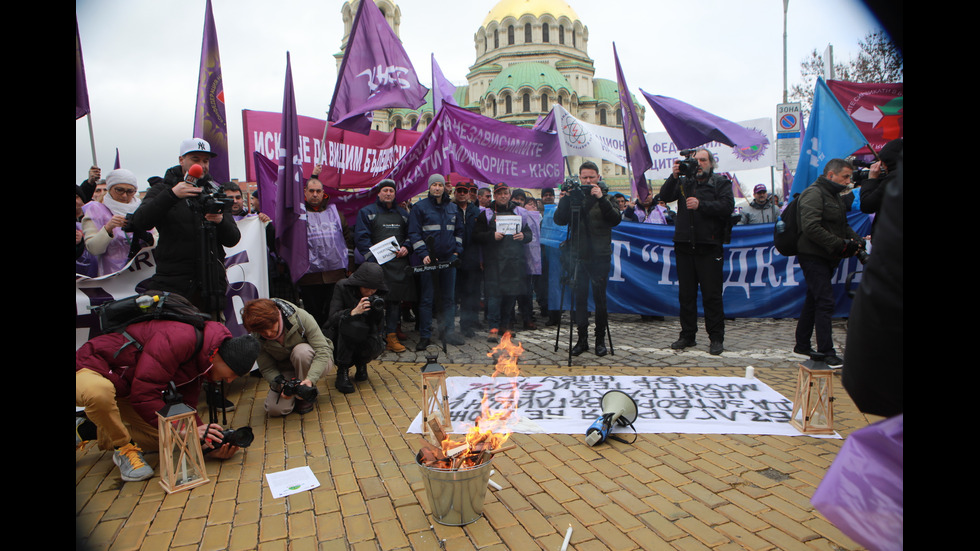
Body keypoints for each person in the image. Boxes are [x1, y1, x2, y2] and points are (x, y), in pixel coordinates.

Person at [75, 321, 259, 481]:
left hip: (125, 386)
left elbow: (186, 405)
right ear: (220, 357)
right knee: (100, 393)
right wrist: (185, 428)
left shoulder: (203, 357)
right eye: (233, 374)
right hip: (90, 367)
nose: (229, 381)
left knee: (171, 439)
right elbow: (144, 395)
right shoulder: (180, 339)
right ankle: (123, 448)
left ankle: (84, 430)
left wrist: (205, 444)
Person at [128, 138, 241, 318]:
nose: (202, 165)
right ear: (181, 160)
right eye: (195, 159)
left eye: (205, 161)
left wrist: (220, 220)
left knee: (214, 340)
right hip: (174, 288)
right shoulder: (162, 189)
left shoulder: (215, 192)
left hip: (211, 287)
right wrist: (172, 195)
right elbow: (140, 221)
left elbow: (233, 238)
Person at [659, 148, 735, 355]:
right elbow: (664, 196)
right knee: (686, 295)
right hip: (685, 245)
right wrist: (673, 176)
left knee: (712, 295)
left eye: (703, 160)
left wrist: (702, 205)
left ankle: (716, 337)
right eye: (696, 160)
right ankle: (687, 335)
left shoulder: (720, 183)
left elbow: (727, 206)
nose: (699, 163)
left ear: (711, 163)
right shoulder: (685, 182)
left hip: (709, 246)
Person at [794, 158, 866, 367]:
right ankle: (827, 351)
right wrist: (840, 244)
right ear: (831, 175)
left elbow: (841, 225)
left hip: (827, 256)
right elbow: (811, 228)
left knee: (814, 299)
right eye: (845, 176)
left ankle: (802, 344)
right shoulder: (814, 193)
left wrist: (855, 240)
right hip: (813, 255)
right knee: (825, 301)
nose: (848, 181)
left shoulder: (833, 195)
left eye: (850, 177)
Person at [553, 162, 621, 356]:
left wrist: (601, 199)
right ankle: (582, 340)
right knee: (579, 299)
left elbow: (615, 219)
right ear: (580, 178)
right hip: (578, 255)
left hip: (600, 256)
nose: (588, 181)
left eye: (592, 177)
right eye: (585, 177)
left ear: (598, 177)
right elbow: (559, 220)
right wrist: (565, 200)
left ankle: (600, 340)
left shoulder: (607, 197)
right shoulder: (575, 198)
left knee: (600, 300)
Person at [241, 298, 335, 414]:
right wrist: (282, 385)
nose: (269, 334)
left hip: (314, 361)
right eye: (263, 332)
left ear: (277, 316)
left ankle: (305, 393)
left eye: (271, 328)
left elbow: (322, 350)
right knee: (275, 410)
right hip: (286, 369)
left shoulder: (301, 317)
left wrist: (311, 378)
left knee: (301, 352)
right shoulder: (256, 336)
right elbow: (267, 368)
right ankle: (296, 393)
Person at [354, 179, 415, 352]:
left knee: (395, 302)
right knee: (375, 303)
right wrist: (373, 260)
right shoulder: (366, 212)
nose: (388, 193)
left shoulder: (403, 214)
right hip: (376, 267)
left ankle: (391, 337)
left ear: (395, 194)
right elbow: (361, 239)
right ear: (379, 193)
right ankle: (375, 337)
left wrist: (407, 247)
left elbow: (412, 234)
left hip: (398, 266)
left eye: (391, 191)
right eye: (385, 190)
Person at [407, 174, 465, 350]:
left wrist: (456, 251)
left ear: (444, 187)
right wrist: (424, 254)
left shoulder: (453, 208)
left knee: (449, 299)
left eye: (440, 185)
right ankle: (425, 335)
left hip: (449, 260)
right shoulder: (419, 208)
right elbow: (414, 234)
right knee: (427, 299)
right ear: (429, 188)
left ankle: (448, 332)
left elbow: (460, 232)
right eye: (434, 185)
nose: (437, 188)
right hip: (428, 261)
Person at [295, 168, 355, 327]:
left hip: (334, 275)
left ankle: (332, 342)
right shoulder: (297, 215)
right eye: (312, 191)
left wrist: (350, 265)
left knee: (332, 312)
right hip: (309, 277)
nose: (315, 194)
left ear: (323, 193)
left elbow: (348, 241)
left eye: (318, 191)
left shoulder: (336, 214)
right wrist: (313, 174)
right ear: (305, 193)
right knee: (312, 314)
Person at [475, 183, 533, 341]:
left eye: (505, 193)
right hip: (493, 262)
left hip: (514, 262)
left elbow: (529, 234)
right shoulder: (485, 214)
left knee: (510, 295)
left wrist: (523, 236)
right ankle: (493, 328)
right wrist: (491, 236)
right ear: (495, 194)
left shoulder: (519, 212)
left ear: (509, 194)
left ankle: (505, 326)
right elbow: (476, 236)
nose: (503, 196)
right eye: (499, 193)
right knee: (494, 296)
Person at [323, 263, 389, 393]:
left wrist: (377, 312)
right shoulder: (342, 287)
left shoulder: (378, 293)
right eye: (366, 288)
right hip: (340, 334)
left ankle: (361, 364)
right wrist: (353, 312)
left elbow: (380, 325)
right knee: (351, 327)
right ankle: (342, 371)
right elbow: (332, 318)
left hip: (366, 333)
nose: (370, 292)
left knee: (371, 336)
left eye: (373, 289)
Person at [81, 169, 156, 276]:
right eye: (119, 190)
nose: (125, 195)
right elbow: (94, 249)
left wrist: (147, 237)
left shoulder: (143, 208)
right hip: (112, 278)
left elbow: (160, 241)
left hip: (144, 274)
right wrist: (108, 228)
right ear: (110, 188)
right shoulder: (95, 210)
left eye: (130, 191)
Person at [452, 181, 484, 337]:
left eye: (465, 191)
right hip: (454, 257)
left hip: (472, 258)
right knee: (452, 294)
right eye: (459, 190)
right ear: (455, 192)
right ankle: (448, 327)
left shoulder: (476, 211)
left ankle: (467, 325)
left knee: (469, 294)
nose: (462, 193)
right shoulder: (450, 209)